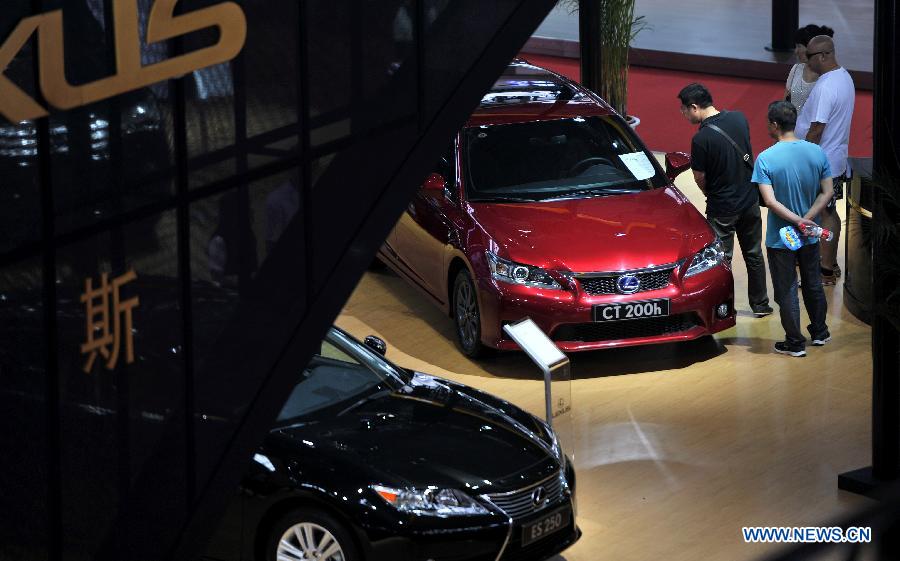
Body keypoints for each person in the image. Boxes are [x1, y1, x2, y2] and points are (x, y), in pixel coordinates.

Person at [677, 83, 772, 317]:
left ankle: (724, 308)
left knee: (721, 260)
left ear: (694, 107)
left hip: (722, 207)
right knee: (754, 255)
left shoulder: (701, 138)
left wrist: (710, 193)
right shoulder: (739, 118)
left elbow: (700, 176)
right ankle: (760, 305)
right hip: (749, 200)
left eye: (684, 110)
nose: (683, 114)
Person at [753, 101, 834, 357]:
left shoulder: (765, 158)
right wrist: (807, 219)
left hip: (781, 240)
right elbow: (828, 191)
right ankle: (820, 332)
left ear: (774, 125)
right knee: (812, 284)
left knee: (787, 289)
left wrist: (796, 221)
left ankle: (795, 343)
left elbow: (769, 201)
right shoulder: (817, 152)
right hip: (810, 236)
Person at [795, 35, 855, 285]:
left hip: (820, 165)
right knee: (829, 213)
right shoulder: (844, 77)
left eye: (809, 56)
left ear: (823, 56)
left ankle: (823, 269)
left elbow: (816, 129)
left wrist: (800, 159)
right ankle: (829, 265)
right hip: (835, 162)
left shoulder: (826, 87)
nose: (805, 60)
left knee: (818, 214)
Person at [783, 24, 834, 113]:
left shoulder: (828, 77)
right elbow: (785, 101)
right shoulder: (796, 69)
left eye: (799, 46)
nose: (796, 51)